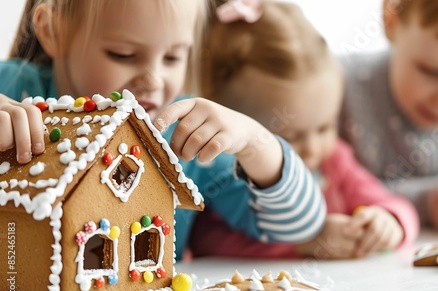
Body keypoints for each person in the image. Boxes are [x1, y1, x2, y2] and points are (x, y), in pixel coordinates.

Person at [0, 0, 327, 260]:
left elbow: (301, 225)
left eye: (172, 57)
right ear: (52, 30)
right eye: (123, 54)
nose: (153, 79)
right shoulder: (12, 90)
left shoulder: (183, 132)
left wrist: (256, 141)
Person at [189, 0, 419, 259]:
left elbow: (396, 205)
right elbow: (205, 240)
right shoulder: (225, 174)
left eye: (325, 127)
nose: (312, 147)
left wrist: (389, 221)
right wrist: (306, 244)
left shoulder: (334, 160)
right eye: (290, 137)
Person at [339, 0, 438, 232]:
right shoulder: (336, 86)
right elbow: (319, 194)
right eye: (431, 72)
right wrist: (425, 202)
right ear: (391, 20)